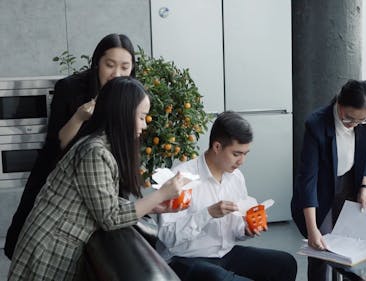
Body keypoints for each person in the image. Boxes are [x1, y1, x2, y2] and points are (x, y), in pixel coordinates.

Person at [8, 77, 189, 280]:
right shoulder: (95, 153)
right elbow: (109, 217)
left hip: (52, 243)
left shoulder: (98, 146)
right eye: (141, 117)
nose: (144, 126)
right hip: (48, 249)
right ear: (122, 114)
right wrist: (160, 195)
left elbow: (101, 201)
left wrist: (153, 207)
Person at [4, 33, 136, 259]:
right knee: (27, 245)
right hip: (56, 177)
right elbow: (56, 145)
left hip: (98, 181)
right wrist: (78, 117)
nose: (117, 74)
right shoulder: (70, 88)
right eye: (110, 65)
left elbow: (126, 145)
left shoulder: (129, 94)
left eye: (125, 67)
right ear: (97, 64)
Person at [156, 111, 297, 281]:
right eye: (236, 154)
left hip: (224, 254)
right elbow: (169, 238)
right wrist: (207, 214)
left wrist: (247, 229)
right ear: (217, 147)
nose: (241, 161)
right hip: (184, 259)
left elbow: (234, 230)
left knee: (285, 263)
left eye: (246, 154)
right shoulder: (181, 177)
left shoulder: (236, 178)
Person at [290, 79, 366, 281]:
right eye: (349, 119)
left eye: (360, 120)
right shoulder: (317, 124)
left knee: (353, 251)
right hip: (320, 190)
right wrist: (312, 230)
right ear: (339, 104)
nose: (354, 124)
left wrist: (364, 187)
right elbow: (308, 179)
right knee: (322, 251)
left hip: (350, 183)